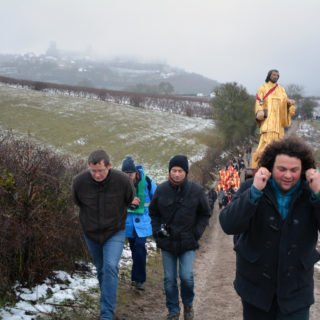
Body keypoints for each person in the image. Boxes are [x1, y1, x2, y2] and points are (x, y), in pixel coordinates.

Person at [219, 136, 320, 320]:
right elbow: (228, 224)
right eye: (281, 169)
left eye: (294, 170)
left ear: (304, 169)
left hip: (296, 290)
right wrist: (254, 193)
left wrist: (318, 195)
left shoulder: (311, 192)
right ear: (270, 167)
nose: (288, 175)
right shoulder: (254, 187)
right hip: (255, 288)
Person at [72, 150, 134, 320]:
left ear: (109, 166)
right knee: (101, 270)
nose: (97, 175)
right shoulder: (79, 182)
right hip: (91, 232)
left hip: (114, 231)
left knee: (110, 267)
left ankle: (106, 314)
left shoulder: (122, 181)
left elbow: (129, 198)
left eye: (101, 170)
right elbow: (77, 201)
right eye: (93, 171)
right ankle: (106, 300)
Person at [149, 155, 211, 320]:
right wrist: (157, 232)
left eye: (180, 171)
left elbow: (205, 214)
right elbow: (153, 213)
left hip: (188, 241)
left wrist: (196, 233)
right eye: (174, 170)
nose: (176, 174)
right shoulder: (161, 190)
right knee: (169, 279)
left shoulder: (196, 191)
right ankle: (173, 311)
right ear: (170, 171)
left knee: (186, 277)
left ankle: (188, 305)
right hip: (167, 242)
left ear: (186, 172)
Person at [121, 155, 157, 291]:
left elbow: (157, 198)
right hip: (128, 223)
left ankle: (140, 279)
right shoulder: (120, 184)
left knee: (140, 247)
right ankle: (135, 278)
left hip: (144, 222)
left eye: (130, 173)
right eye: (125, 174)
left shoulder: (147, 181)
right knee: (134, 250)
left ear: (136, 172)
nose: (128, 176)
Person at [252, 70, 296, 168]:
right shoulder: (262, 87)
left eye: (277, 75)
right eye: (274, 75)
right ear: (269, 75)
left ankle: (275, 165)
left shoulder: (281, 89)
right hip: (269, 120)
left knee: (278, 145)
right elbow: (260, 101)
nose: (275, 76)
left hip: (279, 122)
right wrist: (259, 111)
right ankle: (261, 163)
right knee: (267, 143)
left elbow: (285, 101)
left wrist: (289, 103)